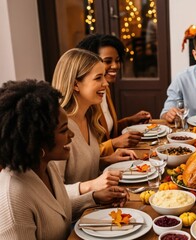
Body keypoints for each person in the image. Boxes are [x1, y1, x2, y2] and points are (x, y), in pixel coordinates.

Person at [0, 80, 128, 239]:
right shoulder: (14, 199)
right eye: (63, 131)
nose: (72, 135)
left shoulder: (46, 165)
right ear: (38, 140)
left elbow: (58, 213)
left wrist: (94, 198)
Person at [51, 48, 137, 197]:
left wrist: (107, 160)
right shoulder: (58, 128)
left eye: (104, 76)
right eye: (98, 78)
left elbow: (80, 170)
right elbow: (52, 193)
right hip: (75, 216)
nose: (106, 83)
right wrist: (90, 186)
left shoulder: (89, 116)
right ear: (75, 84)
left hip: (94, 206)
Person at [76, 34, 151, 156]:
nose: (115, 66)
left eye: (117, 60)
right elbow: (84, 156)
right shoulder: (85, 101)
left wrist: (129, 121)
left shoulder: (105, 90)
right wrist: (114, 143)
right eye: (108, 61)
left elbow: (106, 131)